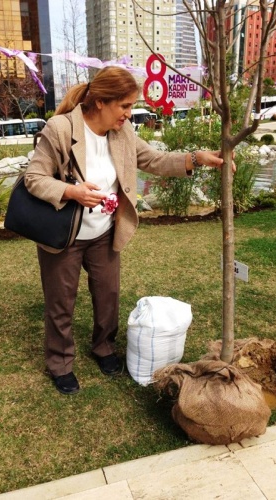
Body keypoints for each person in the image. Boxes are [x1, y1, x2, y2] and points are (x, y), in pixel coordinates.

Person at [25, 66, 225, 395]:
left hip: (104, 232)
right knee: (61, 303)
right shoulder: (61, 129)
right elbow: (35, 178)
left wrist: (196, 158)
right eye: (125, 105)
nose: (130, 113)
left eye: (132, 106)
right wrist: (72, 191)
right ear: (101, 102)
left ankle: (103, 348)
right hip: (64, 236)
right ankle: (60, 362)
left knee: (108, 297)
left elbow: (155, 159)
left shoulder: (123, 132)